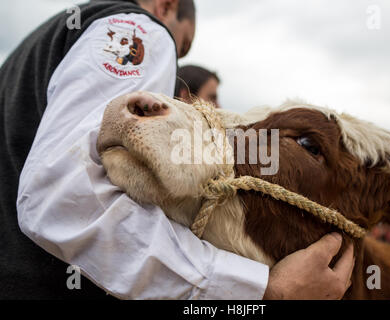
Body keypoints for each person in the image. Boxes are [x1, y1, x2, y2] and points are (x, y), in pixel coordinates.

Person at [0, 0, 354, 299]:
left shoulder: (35, 48)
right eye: (181, 45)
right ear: (167, 5)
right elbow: (66, 200)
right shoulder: (139, 30)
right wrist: (262, 289)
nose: (174, 55)